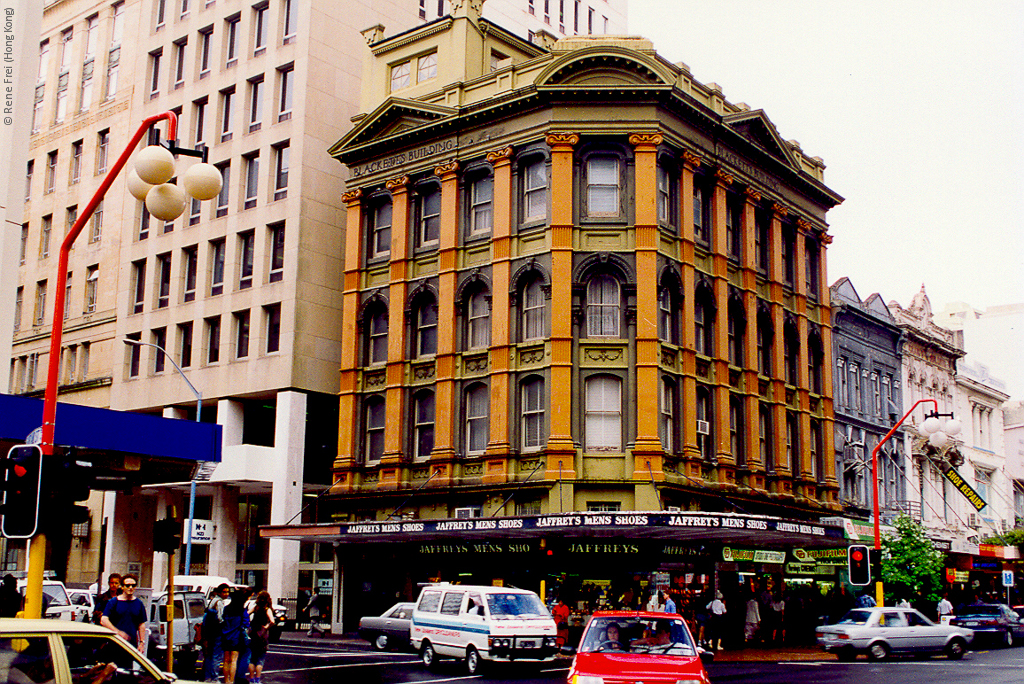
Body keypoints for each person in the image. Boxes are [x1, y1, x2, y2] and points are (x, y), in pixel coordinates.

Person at [100, 574, 147, 657]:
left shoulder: (139, 603)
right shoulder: (114, 602)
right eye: (127, 585)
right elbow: (103, 620)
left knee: (127, 668)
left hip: (130, 645)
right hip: (115, 642)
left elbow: (141, 624)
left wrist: (142, 642)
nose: (130, 587)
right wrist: (118, 632)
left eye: (133, 585)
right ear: (122, 587)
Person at [221, 588, 252, 684]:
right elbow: (246, 624)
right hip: (236, 637)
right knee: (233, 660)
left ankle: (226, 680)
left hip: (225, 635)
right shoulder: (241, 611)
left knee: (226, 660)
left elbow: (222, 620)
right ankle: (231, 680)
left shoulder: (226, 609)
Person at [247, 591, 275, 684]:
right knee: (260, 658)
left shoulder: (256, 608)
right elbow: (272, 621)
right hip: (262, 635)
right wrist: (266, 627)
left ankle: (251, 679)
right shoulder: (267, 609)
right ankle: (257, 679)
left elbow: (247, 614)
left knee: (252, 658)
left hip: (253, 633)